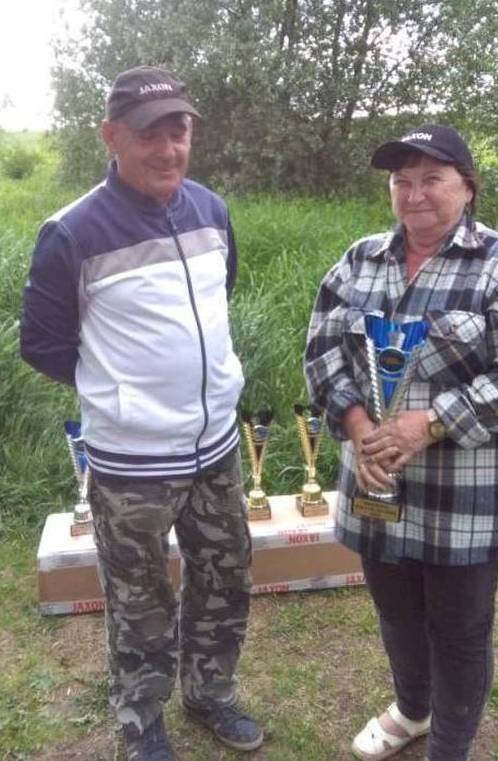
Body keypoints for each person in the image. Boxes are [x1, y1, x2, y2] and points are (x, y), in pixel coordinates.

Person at [21, 66, 263, 761]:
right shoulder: (72, 232)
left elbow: (219, 298)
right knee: (139, 600)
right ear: (111, 136)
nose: (168, 149)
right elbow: (43, 343)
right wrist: (121, 392)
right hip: (131, 462)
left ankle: (210, 693)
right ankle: (140, 716)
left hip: (216, 447)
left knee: (224, 577)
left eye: (178, 131)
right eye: (149, 134)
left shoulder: (211, 210)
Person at [304, 124, 498, 761]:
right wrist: (357, 425)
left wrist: (432, 422)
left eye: (432, 180)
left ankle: (450, 744)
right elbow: (322, 353)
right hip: (376, 483)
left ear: (467, 188)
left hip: (463, 496)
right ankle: (413, 711)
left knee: (460, 630)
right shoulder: (359, 261)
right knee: (396, 615)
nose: (414, 194)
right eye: (402, 181)